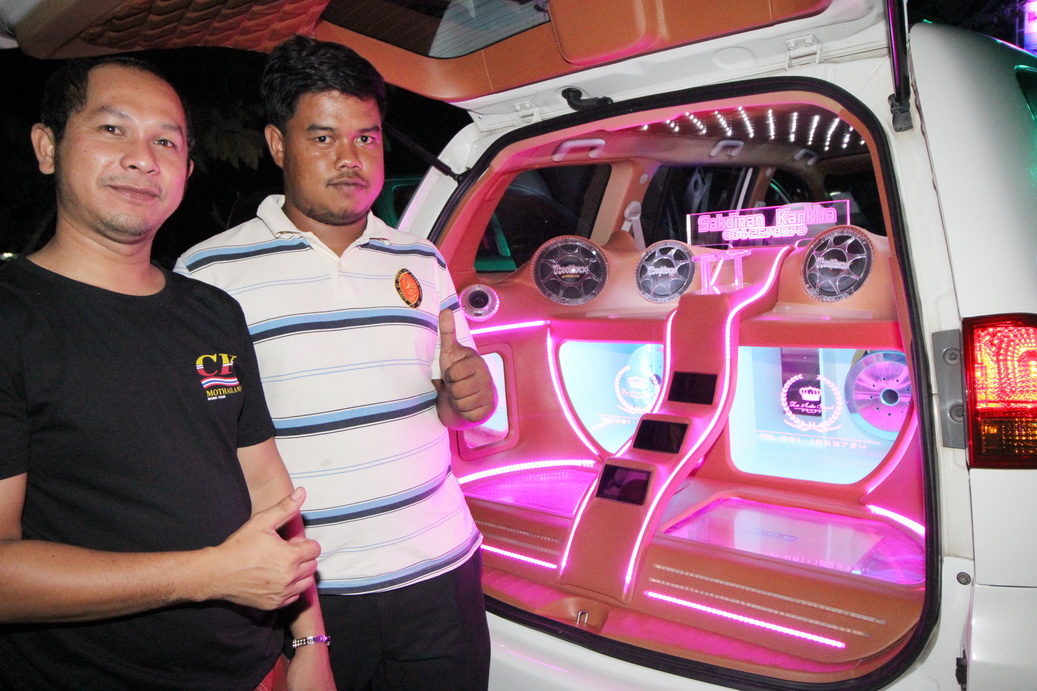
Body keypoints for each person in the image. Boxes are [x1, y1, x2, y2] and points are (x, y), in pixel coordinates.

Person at [0, 55, 335, 690]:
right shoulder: (14, 317)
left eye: (166, 142)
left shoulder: (213, 311)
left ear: (185, 170)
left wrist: (308, 641)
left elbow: (268, 485)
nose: (142, 159)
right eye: (112, 129)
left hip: (254, 666)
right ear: (47, 147)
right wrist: (208, 574)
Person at [176, 36, 496, 690]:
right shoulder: (208, 275)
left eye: (366, 138)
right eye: (322, 138)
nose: (350, 158)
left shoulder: (422, 260)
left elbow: (452, 405)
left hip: (441, 574)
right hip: (308, 594)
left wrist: (469, 396)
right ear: (276, 144)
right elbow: (200, 451)